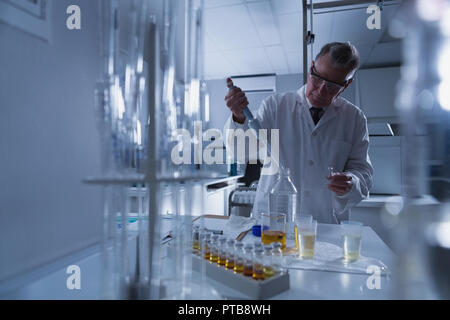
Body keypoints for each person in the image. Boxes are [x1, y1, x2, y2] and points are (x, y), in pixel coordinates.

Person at [224, 42, 373, 224]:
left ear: (346, 85)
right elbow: (241, 152)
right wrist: (239, 117)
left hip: (323, 224)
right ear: (311, 68)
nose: (321, 90)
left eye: (333, 86)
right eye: (318, 78)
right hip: (272, 221)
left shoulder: (354, 119)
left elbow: (363, 172)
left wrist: (352, 182)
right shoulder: (275, 106)